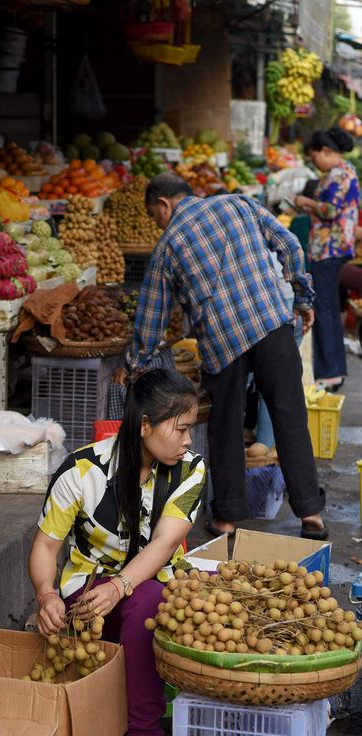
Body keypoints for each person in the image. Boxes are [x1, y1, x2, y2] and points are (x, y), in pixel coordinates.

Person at [121, 172, 327, 541]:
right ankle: (311, 514)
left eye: (155, 216)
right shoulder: (239, 203)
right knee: (290, 415)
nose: (158, 224)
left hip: (222, 342)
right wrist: (302, 295)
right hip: (272, 326)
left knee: (226, 426)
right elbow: (291, 245)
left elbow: (151, 317)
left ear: (164, 205)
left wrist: (134, 366)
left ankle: (228, 519)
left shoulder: (168, 245)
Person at [30, 368, 206, 736]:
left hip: (156, 589)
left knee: (146, 599)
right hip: (87, 597)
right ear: (145, 426)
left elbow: (164, 543)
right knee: (142, 602)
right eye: (181, 428)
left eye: (192, 429)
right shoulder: (80, 470)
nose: (189, 440)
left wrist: (120, 586)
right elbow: (46, 546)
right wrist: (46, 595)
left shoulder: (191, 470)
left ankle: (141, 728)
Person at [293, 127, 359, 391]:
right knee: (329, 309)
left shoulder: (338, 175)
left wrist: (305, 202)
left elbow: (330, 209)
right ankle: (334, 370)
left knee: (324, 310)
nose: (314, 162)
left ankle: (329, 371)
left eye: (314, 156)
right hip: (333, 247)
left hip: (328, 248)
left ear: (326, 151)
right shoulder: (346, 172)